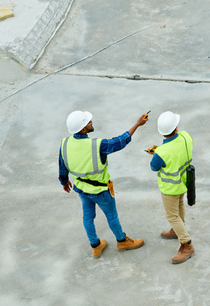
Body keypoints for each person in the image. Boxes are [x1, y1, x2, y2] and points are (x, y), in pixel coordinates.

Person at [59, 110, 147, 258]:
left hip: (81, 188)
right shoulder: (97, 145)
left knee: (88, 217)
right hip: (100, 190)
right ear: (82, 129)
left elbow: (62, 165)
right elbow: (121, 141)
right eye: (88, 122)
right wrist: (137, 124)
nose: (91, 121)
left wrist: (63, 180)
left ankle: (95, 245)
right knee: (112, 216)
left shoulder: (65, 143)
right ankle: (122, 241)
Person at [149, 111, 195, 264]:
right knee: (180, 205)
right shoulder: (185, 136)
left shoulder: (161, 152)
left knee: (171, 216)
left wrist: (158, 152)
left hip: (170, 188)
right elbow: (177, 151)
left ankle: (187, 245)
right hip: (184, 182)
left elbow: (154, 167)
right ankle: (177, 231)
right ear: (176, 128)